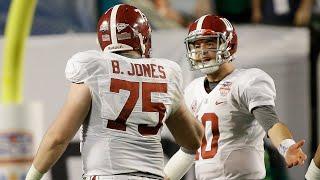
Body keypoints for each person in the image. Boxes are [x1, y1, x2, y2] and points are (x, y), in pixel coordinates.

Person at [25, 4, 203, 180]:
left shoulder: (94, 68)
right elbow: (193, 141)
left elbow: (58, 138)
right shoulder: (165, 73)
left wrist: (32, 177)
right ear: (143, 38)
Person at [164, 14, 307, 180]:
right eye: (196, 45)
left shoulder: (247, 81)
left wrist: (286, 146)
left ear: (228, 45)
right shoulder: (191, 91)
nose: (201, 51)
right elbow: (188, 151)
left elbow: (271, 123)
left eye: (209, 43)